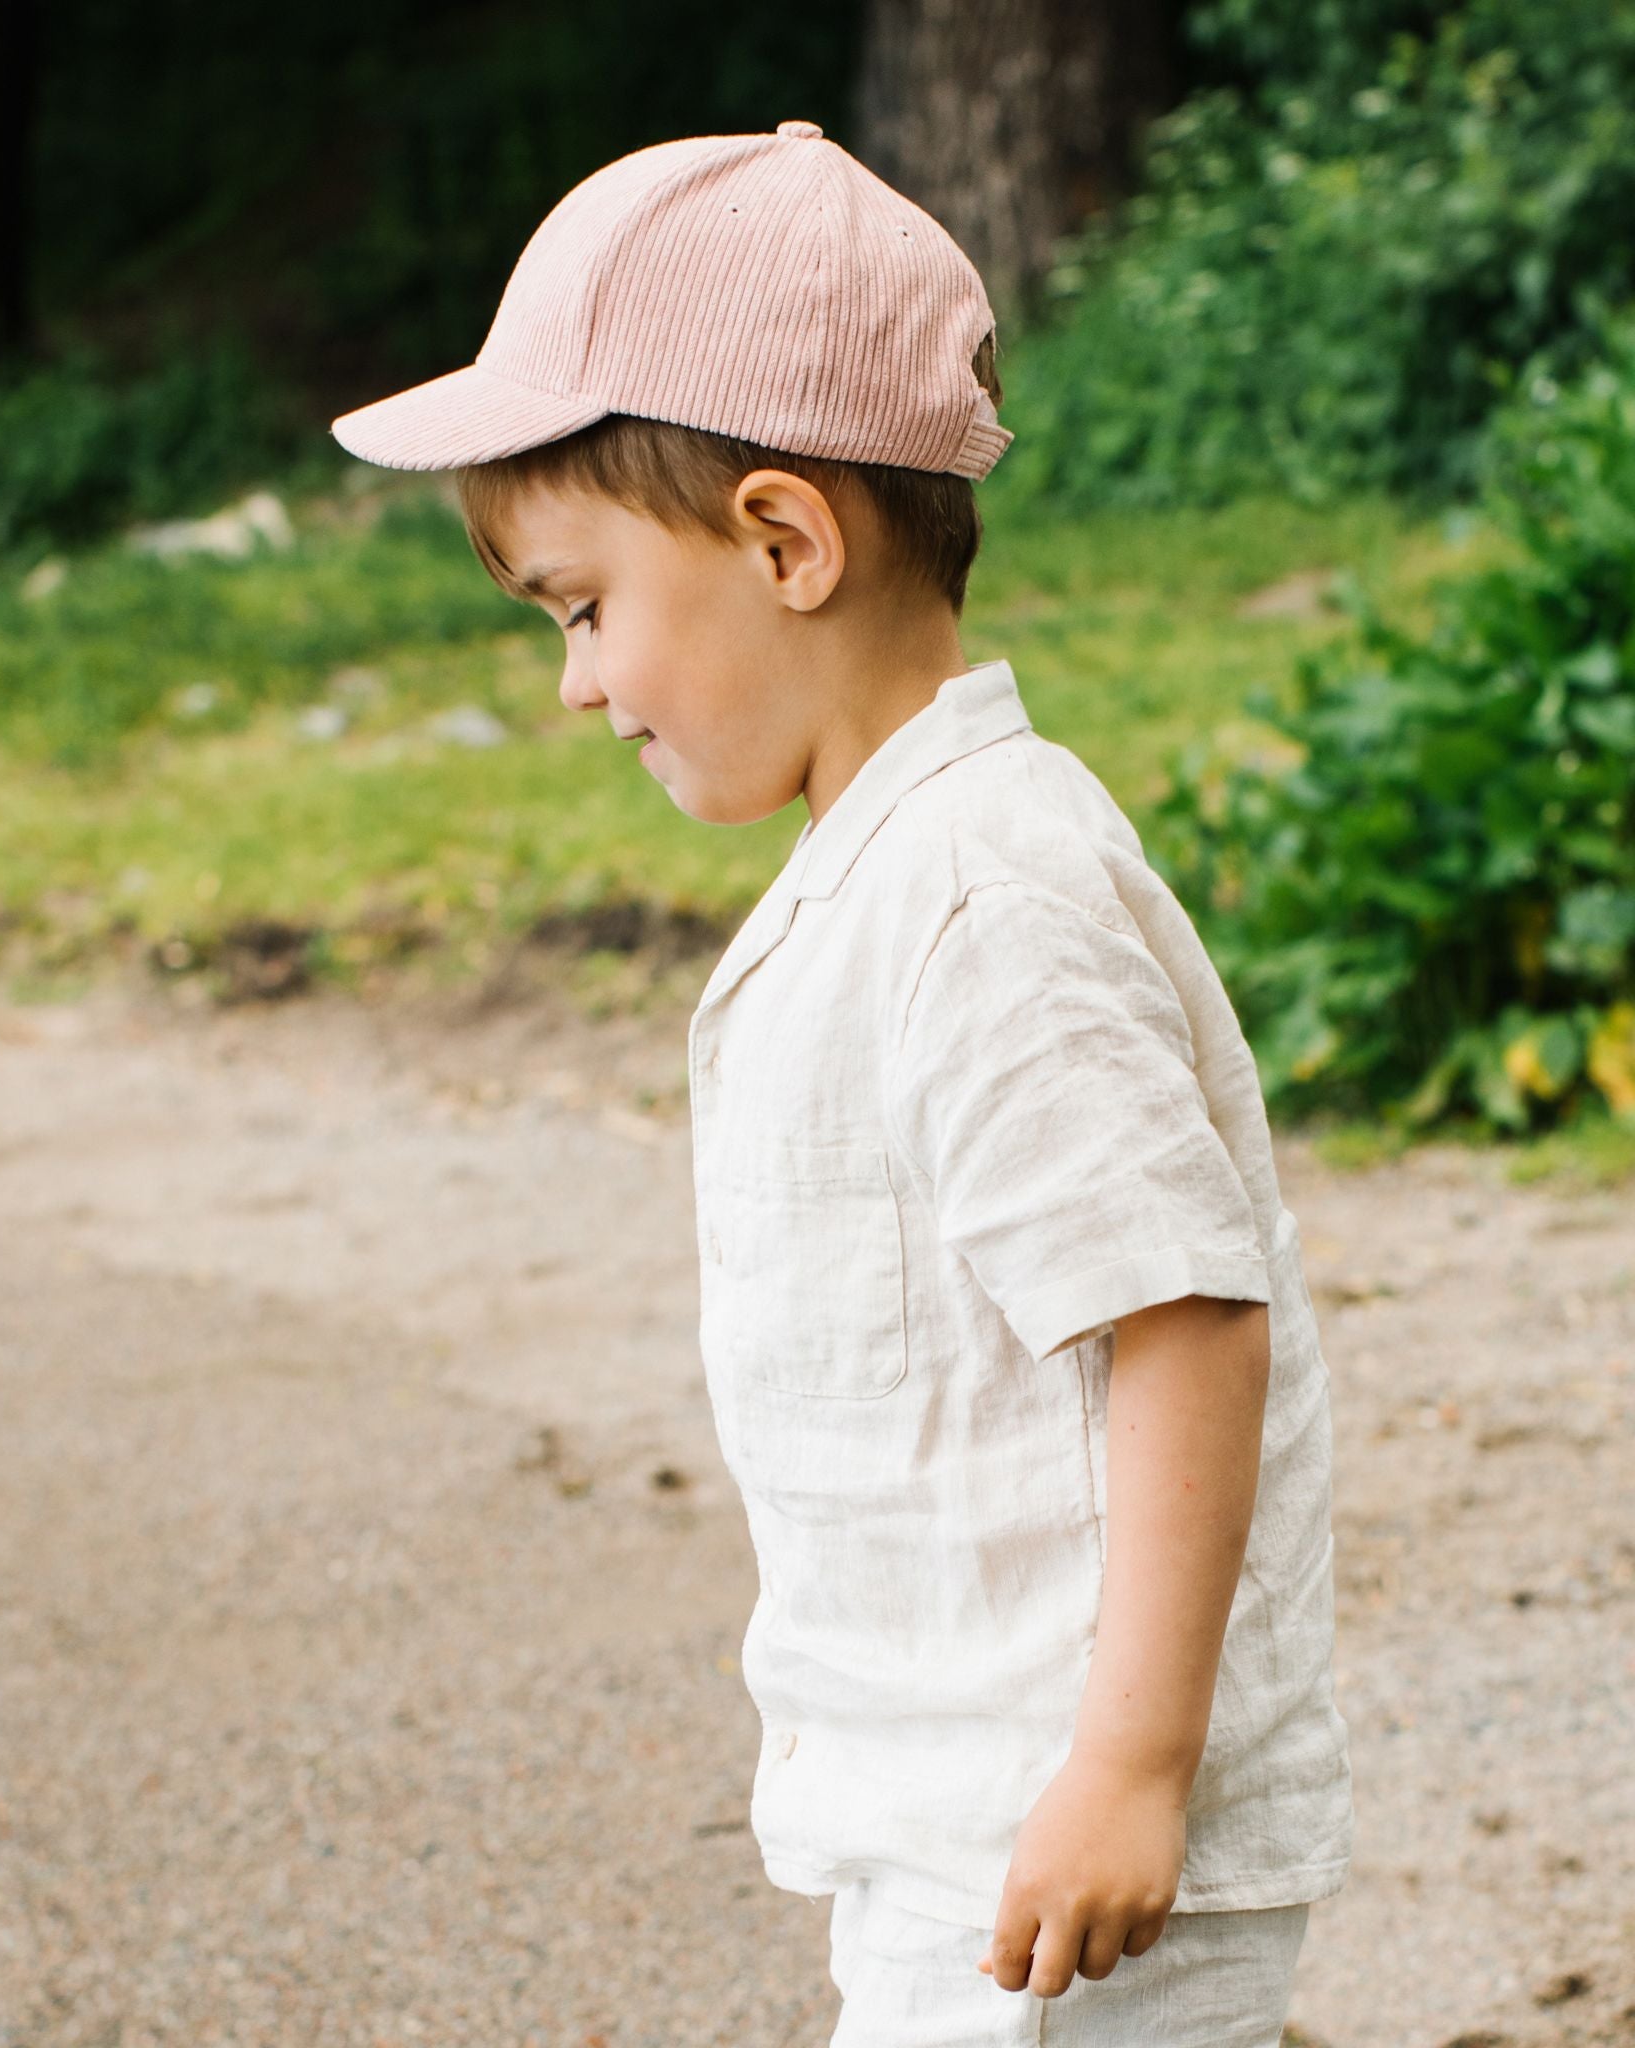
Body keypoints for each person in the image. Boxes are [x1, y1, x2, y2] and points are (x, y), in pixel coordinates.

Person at [330, 119, 1353, 2046]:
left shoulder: (982, 898)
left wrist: (1128, 1769)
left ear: (786, 539)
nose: (576, 683)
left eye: (582, 607)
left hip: (1056, 1846)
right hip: (951, 1826)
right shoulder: (889, 870)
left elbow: (1188, 1319)